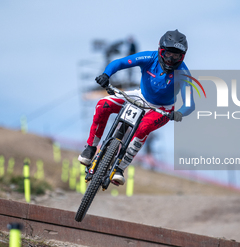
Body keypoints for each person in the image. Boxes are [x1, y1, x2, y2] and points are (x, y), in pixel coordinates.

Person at [78, 29, 195, 185]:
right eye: (168, 54)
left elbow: (190, 104)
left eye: (176, 56)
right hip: (140, 96)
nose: (171, 59)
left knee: (142, 128)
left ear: (183, 56)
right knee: (102, 105)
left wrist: (179, 113)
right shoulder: (149, 57)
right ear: (160, 50)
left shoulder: (184, 73)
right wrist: (106, 74)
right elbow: (119, 63)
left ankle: (120, 168)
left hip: (163, 109)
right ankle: (91, 147)